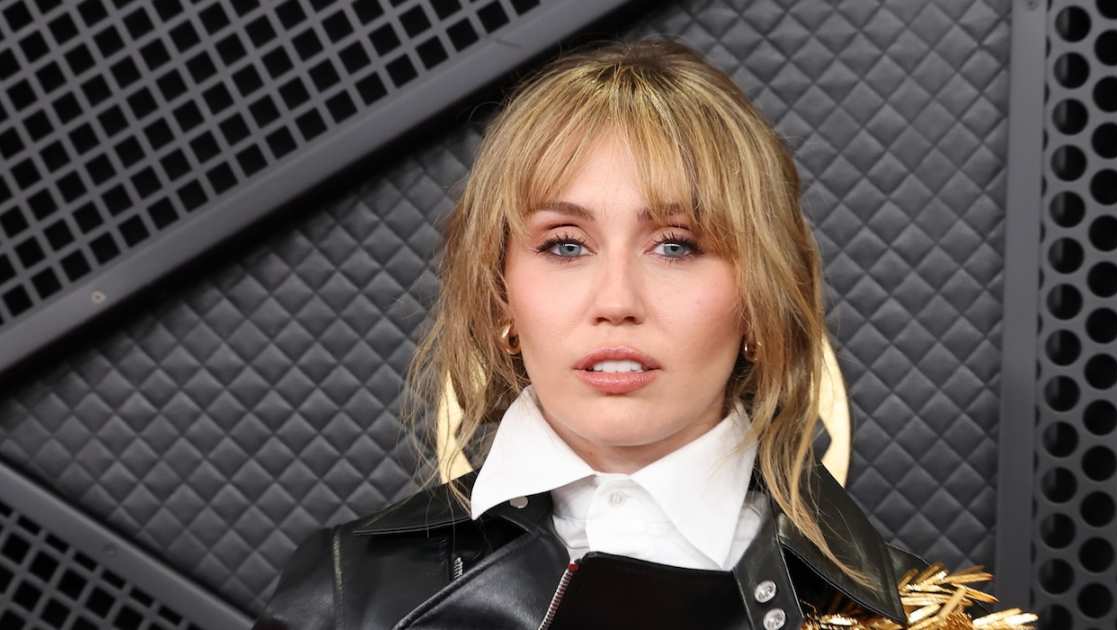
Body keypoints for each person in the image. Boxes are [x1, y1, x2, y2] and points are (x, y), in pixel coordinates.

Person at [251, 37, 1027, 630]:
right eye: (565, 245)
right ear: (500, 296)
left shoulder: (913, 615)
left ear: (759, 299)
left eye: (676, 246)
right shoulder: (345, 592)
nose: (616, 300)